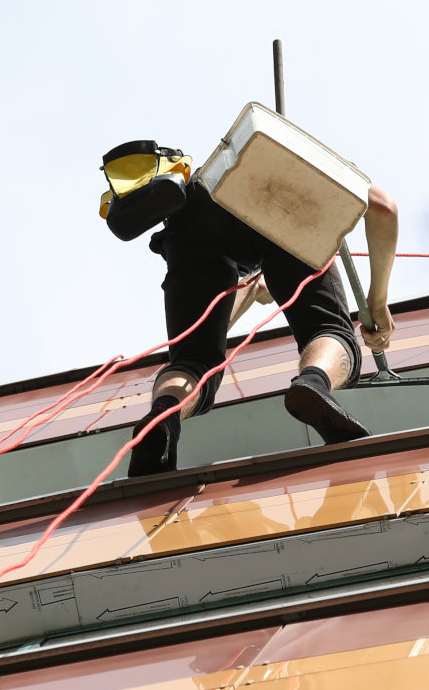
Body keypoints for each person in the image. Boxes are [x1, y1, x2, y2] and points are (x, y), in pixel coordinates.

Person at [127, 174, 398, 477]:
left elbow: (209, 323)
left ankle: (163, 414)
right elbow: (384, 207)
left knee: (193, 360)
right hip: (286, 215)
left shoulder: (219, 170)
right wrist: (377, 301)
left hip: (191, 216)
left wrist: (255, 290)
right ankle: (313, 384)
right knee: (328, 330)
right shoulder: (307, 163)